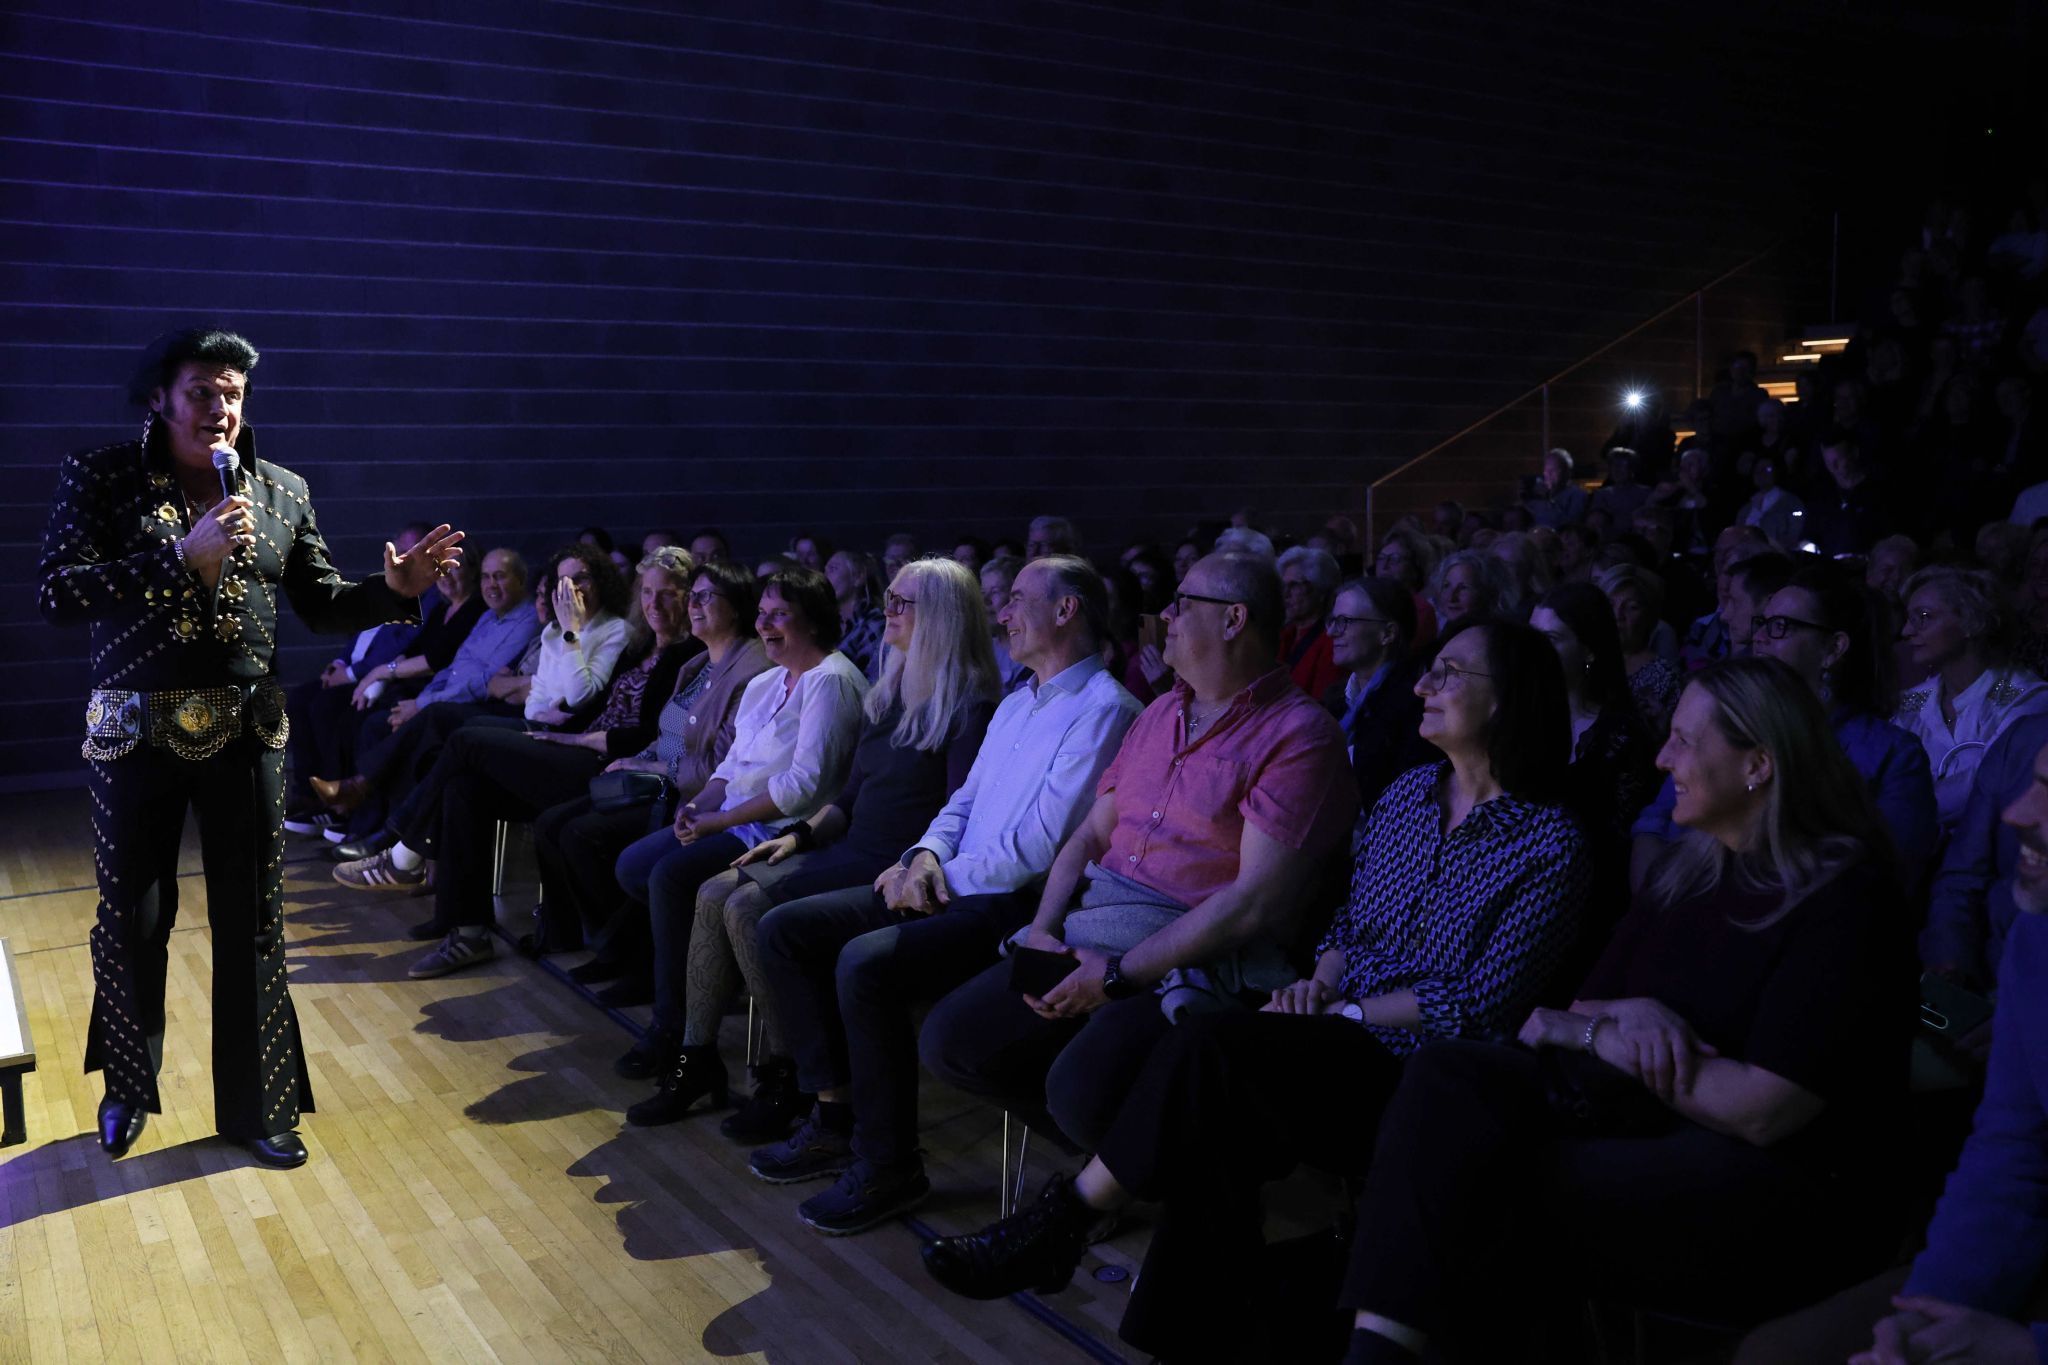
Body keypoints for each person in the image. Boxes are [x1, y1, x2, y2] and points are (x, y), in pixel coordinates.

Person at [918, 620, 1593, 1364]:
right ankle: (1171, 1325)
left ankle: (1069, 1220)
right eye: (1427, 670)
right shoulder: (1407, 796)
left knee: (1214, 1051)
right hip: (1337, 1028)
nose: (1423, 686)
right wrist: (1320, 984)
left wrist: (1345, 1008)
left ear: (1505, 702)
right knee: (1217, 1110)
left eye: (1450, 673)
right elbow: (1349, 922)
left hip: (1430, 1075)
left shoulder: (1549, 842)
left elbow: (1481, 1003)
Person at [1340, 660, 1912, 1363]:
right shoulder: (1692, 871)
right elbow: (1563, 1016)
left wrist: (1603, 1039)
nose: (1661, 757)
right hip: (1638, 1117)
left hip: (1773, 1176)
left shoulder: (1844, 899)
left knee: (1486, 1184)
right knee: (1444, 1079)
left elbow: (1764, 1106)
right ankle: (1376, 1351)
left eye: (1682, 740)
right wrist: (1615, 1021)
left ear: (1759, 764)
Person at [37, 328, 463, 1168]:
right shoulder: (102, 476)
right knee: (131, 918)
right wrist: (176, 559)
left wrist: (393, 593)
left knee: (257, 921)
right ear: (161, 397)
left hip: (246, 733)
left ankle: (257, 1107)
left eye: (233, 393)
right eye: (204, 391)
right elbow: (58, 591)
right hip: (134, 731)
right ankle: (127, 1086)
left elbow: (322, 600)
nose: (221, 409)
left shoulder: (280, 491)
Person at [746, 555, 1141, 1235]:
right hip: (950, 882)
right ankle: (832, 1112)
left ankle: (889, 1161)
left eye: (1017, 600)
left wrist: (937, 877)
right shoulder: (1022, 698)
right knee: (783, 928)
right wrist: (923, 855)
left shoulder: (1106, 708)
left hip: (1015, 904)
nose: (1004, 613)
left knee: (864, 965)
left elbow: (1040, 847)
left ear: (1066, 611)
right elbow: (961, 801)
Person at [916, 552, 1358, 1155]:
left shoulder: (1299, 735)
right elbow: (1088, 838)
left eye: (1182, 604)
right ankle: (1113, 1168)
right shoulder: (1157, 713)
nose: (1165, 616)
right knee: (952, 1040)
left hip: (1186, 951)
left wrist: (1121, 974)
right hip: (1090, 926)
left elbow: (1253, 903)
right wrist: (1042, 931)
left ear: (1233, 619)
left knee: (1077, 1087)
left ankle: (1116, 1181)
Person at [654, 558, 999, 1140]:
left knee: (743, 909)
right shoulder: (891, 693)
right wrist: (799, 836)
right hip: (852, 847)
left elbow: (957, 814)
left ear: (940, 615)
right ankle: (699, 1056)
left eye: (901, 603)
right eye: (886, 598)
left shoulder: (969, 706)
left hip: (894, 865)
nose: (885, 610)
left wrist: (914, 862)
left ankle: (806, 1081)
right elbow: (850, 797)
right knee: (716, 891)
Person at [615, 566, 869, 1124]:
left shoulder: (831, 679)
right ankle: (689, 1041)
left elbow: (807, 786)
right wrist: (699, 806)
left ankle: (688, 1037)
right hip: (738, 822)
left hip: (795, 835)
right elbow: (732, 766)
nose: (767, 625)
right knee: (655, 870)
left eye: (780, 615)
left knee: (676, 878)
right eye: (764, 614)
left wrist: (717, 820)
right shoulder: (766, 682)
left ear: (813, 619)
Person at [1633, 564, 1938, 895]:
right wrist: (1659, 904)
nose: (1759, 637)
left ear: (1833, 648)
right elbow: (1654, 824)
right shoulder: (1725, 724)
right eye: (1762, 622)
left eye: (1781, 626)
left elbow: (1889, 879)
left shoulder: (1890, 754)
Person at [541, 562, 771, 976]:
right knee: (553, 823)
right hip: (658, 779)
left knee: (583, 836)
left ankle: (628, 956)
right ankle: (611, 946)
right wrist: (638, 758)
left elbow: (720, 765)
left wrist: (654, 765)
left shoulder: (751, 670)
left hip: (690, 796)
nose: (694, 606)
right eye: (694, 596)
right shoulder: (698, 664)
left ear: (735, 607)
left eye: (705, 597)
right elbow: (668, 731)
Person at [1894, 566, 2048, 830]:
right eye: (1909, 618)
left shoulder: (2023, 697)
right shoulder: (1915, 699)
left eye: (1923, 617)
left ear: (1971, 621)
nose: (1907, 631)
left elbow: (1984, 786)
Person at [1531, 584, 1658, 894]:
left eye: (1550, 639)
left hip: (1583, 890)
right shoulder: (1519, 716)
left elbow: (1617, 844)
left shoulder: (1620, 735)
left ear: (1588, 650)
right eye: (1532, 636)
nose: (1533, 650)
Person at [1324, 576, 1433, 810]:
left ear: (1387, 634)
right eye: (1332, 621)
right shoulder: (1335, 699)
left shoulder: (1414, 706)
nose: (1332, 632)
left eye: (1345, 621)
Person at [1598, 564, 1683, 740]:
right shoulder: (1584, 660)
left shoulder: (1664, 676)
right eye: (1610, 604)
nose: (1618, 615)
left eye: (1631, 607)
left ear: (1649, 615)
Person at [1276, 545, 1343, 699]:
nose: (1285, 594)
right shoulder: (1284, 635)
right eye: (1283, 586)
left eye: (1294, 585)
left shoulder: (1332, 641)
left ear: (1321, 590)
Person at [825, 549, 887, 680]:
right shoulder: (825, 621)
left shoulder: (874, 624)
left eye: (833, 569)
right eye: (825, 570)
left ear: (858, 577)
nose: (824, 576)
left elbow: (872, 681)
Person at [1372, 526, 1440, 641]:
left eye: (1394, 559)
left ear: (1416, 566)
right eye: (1381, 558)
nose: (1384, 566)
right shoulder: (1369, 604)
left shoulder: (1421, 610)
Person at [1525, 448, 1589, 528]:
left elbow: (1569, 525)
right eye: (1546, 470)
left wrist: (1547, 501)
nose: (1548, 474)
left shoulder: (1577, 495)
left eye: (1553, 470)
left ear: (1568, 472)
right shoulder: (1539, 494)